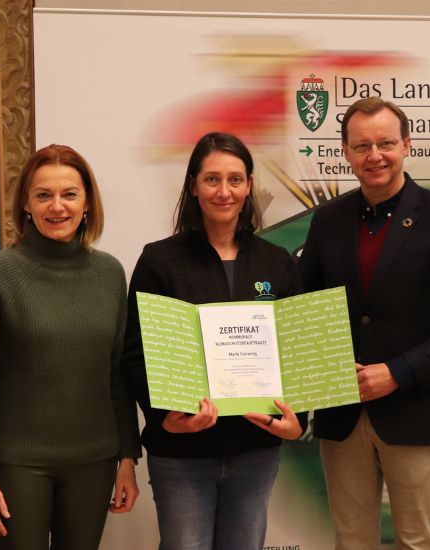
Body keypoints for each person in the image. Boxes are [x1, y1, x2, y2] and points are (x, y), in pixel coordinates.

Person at [299, 97, 430, 550]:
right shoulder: (327, 220)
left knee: (417, 543)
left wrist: (399, 371)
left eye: (385, 143)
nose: (375, 156)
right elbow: (303, 310)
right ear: (346, 153)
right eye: (362, 146)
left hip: (416, 413)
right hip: (341, 414)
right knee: (351, 542)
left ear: (406, 145)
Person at [122, 132, 306, 550]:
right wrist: (164, 418)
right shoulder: (159, 261)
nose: (224, 191)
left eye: (235, 180)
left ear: (249, 185)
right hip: (182, 451)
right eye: (212, 179)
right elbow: (136, 354)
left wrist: (299, 419)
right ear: (193, 185)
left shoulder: (276, 262)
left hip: (256, 450)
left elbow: (296, 352)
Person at [0, 144, 141, 549]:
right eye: (43, 195)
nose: (56, 206)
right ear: (26, 203)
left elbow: (116, 372)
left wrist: (128, 457)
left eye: (69, 194)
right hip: (16, 462)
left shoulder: (110, 273)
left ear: (87, 203)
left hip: (94, 461)